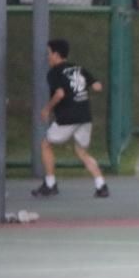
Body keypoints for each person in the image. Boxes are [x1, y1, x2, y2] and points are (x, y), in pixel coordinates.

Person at [32, 39, 109, 198]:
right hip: (84, 116)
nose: (47, 57)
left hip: (68, 117)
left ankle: (50, 184)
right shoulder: (79, 68)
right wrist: (85, 87)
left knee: (45, 144)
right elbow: (97, 86)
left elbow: (59, 94)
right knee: (82, 151)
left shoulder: (54, 72)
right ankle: (101, 185)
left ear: (56, 54)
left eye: (48, 53)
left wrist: (46, 109)